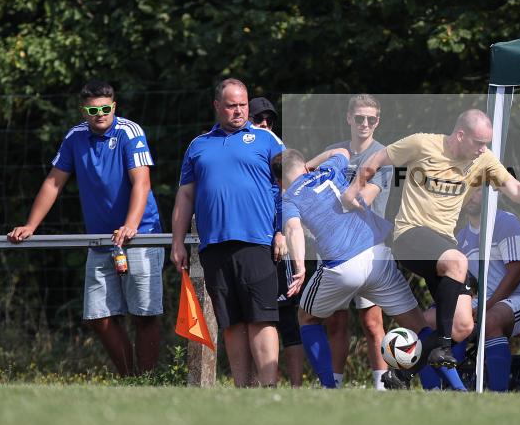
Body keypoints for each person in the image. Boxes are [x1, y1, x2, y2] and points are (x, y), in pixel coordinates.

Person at [341, 109, 520, 381]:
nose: (483, 149)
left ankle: (401, 375)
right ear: (460, 135)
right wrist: (353, 190)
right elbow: (378, 158)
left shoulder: (483, 159)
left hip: (444, 247)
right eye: (478, 143)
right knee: (459, 262)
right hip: (410, 236)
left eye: (486, 143)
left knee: (462, 325)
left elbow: (516, 191)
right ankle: (443, 348)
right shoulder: (422, 143)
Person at [7, 81, 164, 377]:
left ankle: (148, 382)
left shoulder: (130, 132)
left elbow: (142, 182)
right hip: (100, 239)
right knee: (97, 316)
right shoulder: (75, 137)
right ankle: (131, 380)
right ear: (83, 111)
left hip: (140, 234)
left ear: (114, 107)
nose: (99, 114)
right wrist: (30, 225)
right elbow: (54, 182)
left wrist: (130, 226)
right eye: (93, 110)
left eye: (105, 108)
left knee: (144, 314)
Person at [275, 148, 434, 389]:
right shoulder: (329, 169)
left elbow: (293, 229)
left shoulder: (289, 198)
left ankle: (329, 387)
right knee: (420, 327)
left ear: (279, 182)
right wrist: (311, 166)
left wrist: (300, 267)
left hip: (342, 267)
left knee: (307, 319)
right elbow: (341, 151)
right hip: (376, 255)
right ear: (304, 165)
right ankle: (447, 388)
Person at [171, 79, 285, 387]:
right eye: (232, 105)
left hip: (257, 241)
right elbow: (185, 195)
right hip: (214, 245)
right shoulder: (198, 145)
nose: (239, 111)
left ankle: (269, 388)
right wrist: (177, 241)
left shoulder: (267, 140)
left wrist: (282, 231)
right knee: (231, 322)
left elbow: (288, 188)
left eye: (243, 105)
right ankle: (242, 389)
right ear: (217, 106)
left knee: (261, 317)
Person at [323, 94, 393, 390]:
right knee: (335, 323)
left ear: (377, 122)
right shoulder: (333, 152)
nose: (365, 123)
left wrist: (333, 197)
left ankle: (381, 387)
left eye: (371, 119)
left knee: (372, 323)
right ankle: (333, 386)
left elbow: (362, 200)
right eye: (360, 117)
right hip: (334, 249)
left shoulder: (384, 157)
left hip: (368, 250)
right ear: (349, 118)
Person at [452, 187, 520, 392]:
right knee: (435, 318)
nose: (470, 195)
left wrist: (485, 307)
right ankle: (446, 389)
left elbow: (516, 273)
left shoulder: (505, 222)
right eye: (466, 190)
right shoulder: (462, 236)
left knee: (490, 321)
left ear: (491, 194)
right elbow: (464, 283)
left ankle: (499, 395)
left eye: (476, 190)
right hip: (487, 300)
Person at [249, 96, 304, 388]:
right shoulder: (241, 150)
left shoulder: (277, 150)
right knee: (253, 318)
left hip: (275, 246)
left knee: (287, 319)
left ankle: (295, 387)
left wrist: (281, 231)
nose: (265, 124)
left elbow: (289, 194)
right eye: (258, 119)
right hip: (249, 245)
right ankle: (258, 383)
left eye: (269, 120)